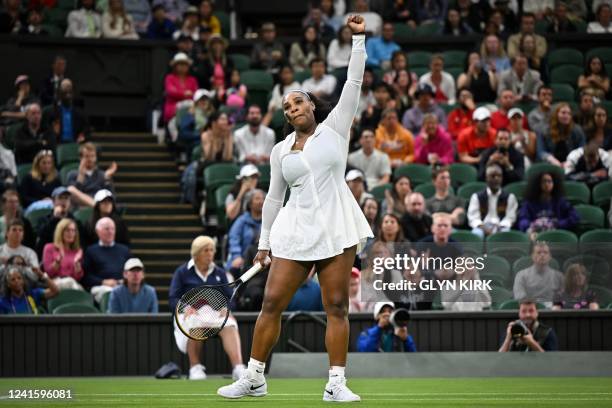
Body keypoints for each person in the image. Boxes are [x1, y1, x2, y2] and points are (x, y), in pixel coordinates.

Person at [217, 15, 372, 402]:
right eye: (286, 106)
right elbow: (272, 198)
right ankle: (254, 378)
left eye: (298, 102)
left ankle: (336, 383)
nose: (291, 109)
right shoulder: (280, 150)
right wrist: (264, 243)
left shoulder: (336, 127)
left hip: (337, 226)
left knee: (336, 305)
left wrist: (358, 40)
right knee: (271, 303)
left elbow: (353, 82)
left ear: (312, 105)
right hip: (295, 230)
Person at [169, 236, 246, 380]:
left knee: (230, 324)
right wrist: (185, 308)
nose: (210, 254)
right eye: (206, 250)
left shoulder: (220, 273)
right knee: (194, 322)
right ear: (197, 253)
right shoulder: (182, 272)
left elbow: (230, 298)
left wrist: (225, 308)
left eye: (212, 250)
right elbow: (173, 298)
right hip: (189, 313)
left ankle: (238, 367)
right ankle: (195, 368)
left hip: (214, 313)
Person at [82, 217, 131, 302]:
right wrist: (103, 282)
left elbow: (132, 271)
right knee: (111, 293)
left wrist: (123, 281)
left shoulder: (124, 250)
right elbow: (86, 277)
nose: (110, 232)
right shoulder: (90, 251)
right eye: (107, 229)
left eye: (113, 229)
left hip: (121, 285)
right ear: (98, 231)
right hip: (100, 287)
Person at [517, 171, 579, 237]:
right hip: (535, 234)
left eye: (549, 181)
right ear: (538, 184)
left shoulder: (560, 201)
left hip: (556, 235)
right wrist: (531, 226)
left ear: (554, 184)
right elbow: (522, 219)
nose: (547, 184)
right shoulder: (529, 203)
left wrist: (558, 224)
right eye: (544, 181)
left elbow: (574, 217)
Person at [468, 164, 518, 238]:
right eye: (493, 176)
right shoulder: (477, 197)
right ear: (486, 178)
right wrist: (483, 228)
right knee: (476, 235)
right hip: (482, 226)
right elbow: (473, 218)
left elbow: (510, 217)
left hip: (501, 226)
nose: (496, 179)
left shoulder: (510, 197)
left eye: (499, 176)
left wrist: (500, 227)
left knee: (505, 234)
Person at [226, 189, 264, 272]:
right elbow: (233, 239)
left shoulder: (268, 221)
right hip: (243, 259)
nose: (261, 201)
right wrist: (237, 256)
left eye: (263, 199)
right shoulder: (241, 221)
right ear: (249, 203)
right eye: (257, 199)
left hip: (262, 260)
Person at [537, 103, 586, 167]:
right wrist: (552, 160)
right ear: (556, 114)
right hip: (550, 164)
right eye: (563, 113)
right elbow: (541, 151)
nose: (566, 116)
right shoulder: (545, 130)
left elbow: (582, 149)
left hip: (572, 164)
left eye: (569, 114)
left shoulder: (577, 130)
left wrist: (571, 161)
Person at [42, 218, 84, 290]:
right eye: (67, 230)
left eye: (73, 231)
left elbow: (78, 278)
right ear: (60, 232)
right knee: (70, 283)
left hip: (73, 283)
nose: (71, 233)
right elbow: (49, 273)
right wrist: (58, 261)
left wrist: (77, 265)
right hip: (55, 283)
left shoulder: (77, 251)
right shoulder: (49, 247)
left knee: (72, 283)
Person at [163, 53, 198, 124]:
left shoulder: (192, 79)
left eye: (185, 64)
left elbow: (195, 94)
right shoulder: (170, 78)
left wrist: (179, 93)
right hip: (173, 109)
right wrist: (184, 94)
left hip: (190, 109)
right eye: (180, 64)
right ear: (175, 66)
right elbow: (171, 92)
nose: (183, 67)